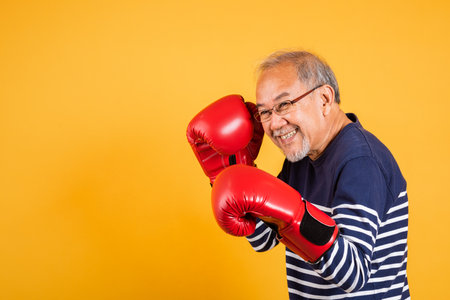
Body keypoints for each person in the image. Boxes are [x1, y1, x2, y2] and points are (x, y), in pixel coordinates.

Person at [187, 51, 409, 299]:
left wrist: (299, 216)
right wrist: (228, 171)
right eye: (265, 112)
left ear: (324, 99)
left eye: (283, 105)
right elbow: (264, 239)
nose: (274, 124)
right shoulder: (302, 157)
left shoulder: (361, 162)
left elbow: (352, 274)